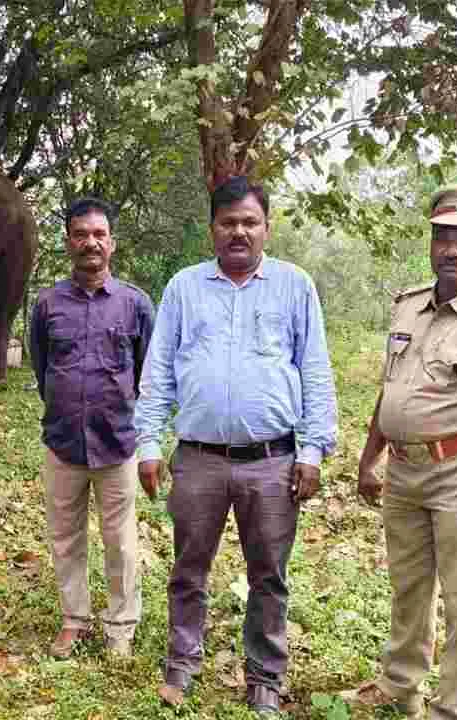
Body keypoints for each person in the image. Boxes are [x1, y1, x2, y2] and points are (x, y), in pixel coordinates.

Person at [133, 176, 338, 716]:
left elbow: (315, 372)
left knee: (268, 574)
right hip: (198, 459)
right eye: (229, 223)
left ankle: (265, 676)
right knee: (188, 567)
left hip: (272, 462)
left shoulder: (295, 286)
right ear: (213, 231)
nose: (239, 232)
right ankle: (182, 660)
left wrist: (313, 451)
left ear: (267, 228)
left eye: (250, 222)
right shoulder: (184, 287)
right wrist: (149, 442)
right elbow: (158, 372)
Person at [338, 185, 457, 720]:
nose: (452, 250)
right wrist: (370, 456)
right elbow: (391, 389)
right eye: (443, 237)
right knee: (408, 585)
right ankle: (400, 686)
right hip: (405, 472)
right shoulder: (409, 306)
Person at [28, 198, 156, 659]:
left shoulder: (135, 305)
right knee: (65, 535)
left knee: (120, 540)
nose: (91, 243)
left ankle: (121, 626)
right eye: (81, 234)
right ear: (68, 243)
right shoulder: (47, 304)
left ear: (112, 244)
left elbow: (148, 374)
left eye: (99, 234)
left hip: (117, 442)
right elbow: (43, 369)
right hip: (63, 441)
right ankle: (74, 619)